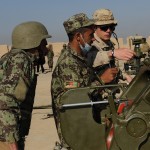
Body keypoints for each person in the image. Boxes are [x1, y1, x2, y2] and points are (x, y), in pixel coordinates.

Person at [51, 13, 118, 150]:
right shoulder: (68, 64)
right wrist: (102, 80)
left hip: (86, 124)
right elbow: (75, 98)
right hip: (77, 133)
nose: (93, 39)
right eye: (90, 35)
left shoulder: (79, 58)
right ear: (78, 37)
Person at [0, 21, 51, 150]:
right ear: (34, 43)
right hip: (5, 136)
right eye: (43, 42)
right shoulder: (21, 61)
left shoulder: (9, 58)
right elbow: (6, 102)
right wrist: (11, 141)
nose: (46, 47)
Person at [87, 8, 135, 84]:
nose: (109, 30)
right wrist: (111, 53)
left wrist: (125, 76)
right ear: (94, 27)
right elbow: (90, 58)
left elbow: (114, 67)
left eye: (112, 27)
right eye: (104, 27)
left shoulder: (109, 44)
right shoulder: (90, 44)